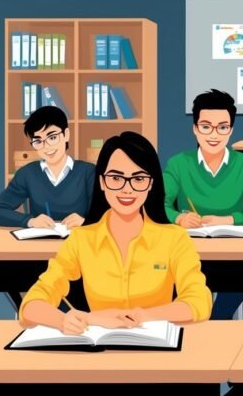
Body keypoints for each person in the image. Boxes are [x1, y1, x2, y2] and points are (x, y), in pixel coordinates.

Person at [20, 132, 212, 334]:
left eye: (138, 178)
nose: (127, 189)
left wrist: (142, 316)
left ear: (151, 184)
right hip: (99, 352)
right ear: (102, 182)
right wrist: (64, 321)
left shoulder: (174, 238)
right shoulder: (81, 239)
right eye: (116, 178)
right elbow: (31, 305)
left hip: (156, 348)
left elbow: (199, 302)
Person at [164, 89, 243, 320]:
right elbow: (157, 205)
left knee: (239, 279)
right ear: (195, 128)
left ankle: (218, 319)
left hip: (234, 254)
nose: (214, 135)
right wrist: (178, 218)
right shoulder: (178, 164)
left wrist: (231, 219)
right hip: (188, 252)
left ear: (231, 130)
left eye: (222, 127)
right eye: (206, 126)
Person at [0, 106, 94, 229]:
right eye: (38, 141)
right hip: (40, 242)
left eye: (52, 137)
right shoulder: (27, 173)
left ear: (66, 135)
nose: (46, 147)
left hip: (80, 242)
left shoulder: (88, 172)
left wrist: (86, 221)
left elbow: (108, 213)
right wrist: (30, 221)